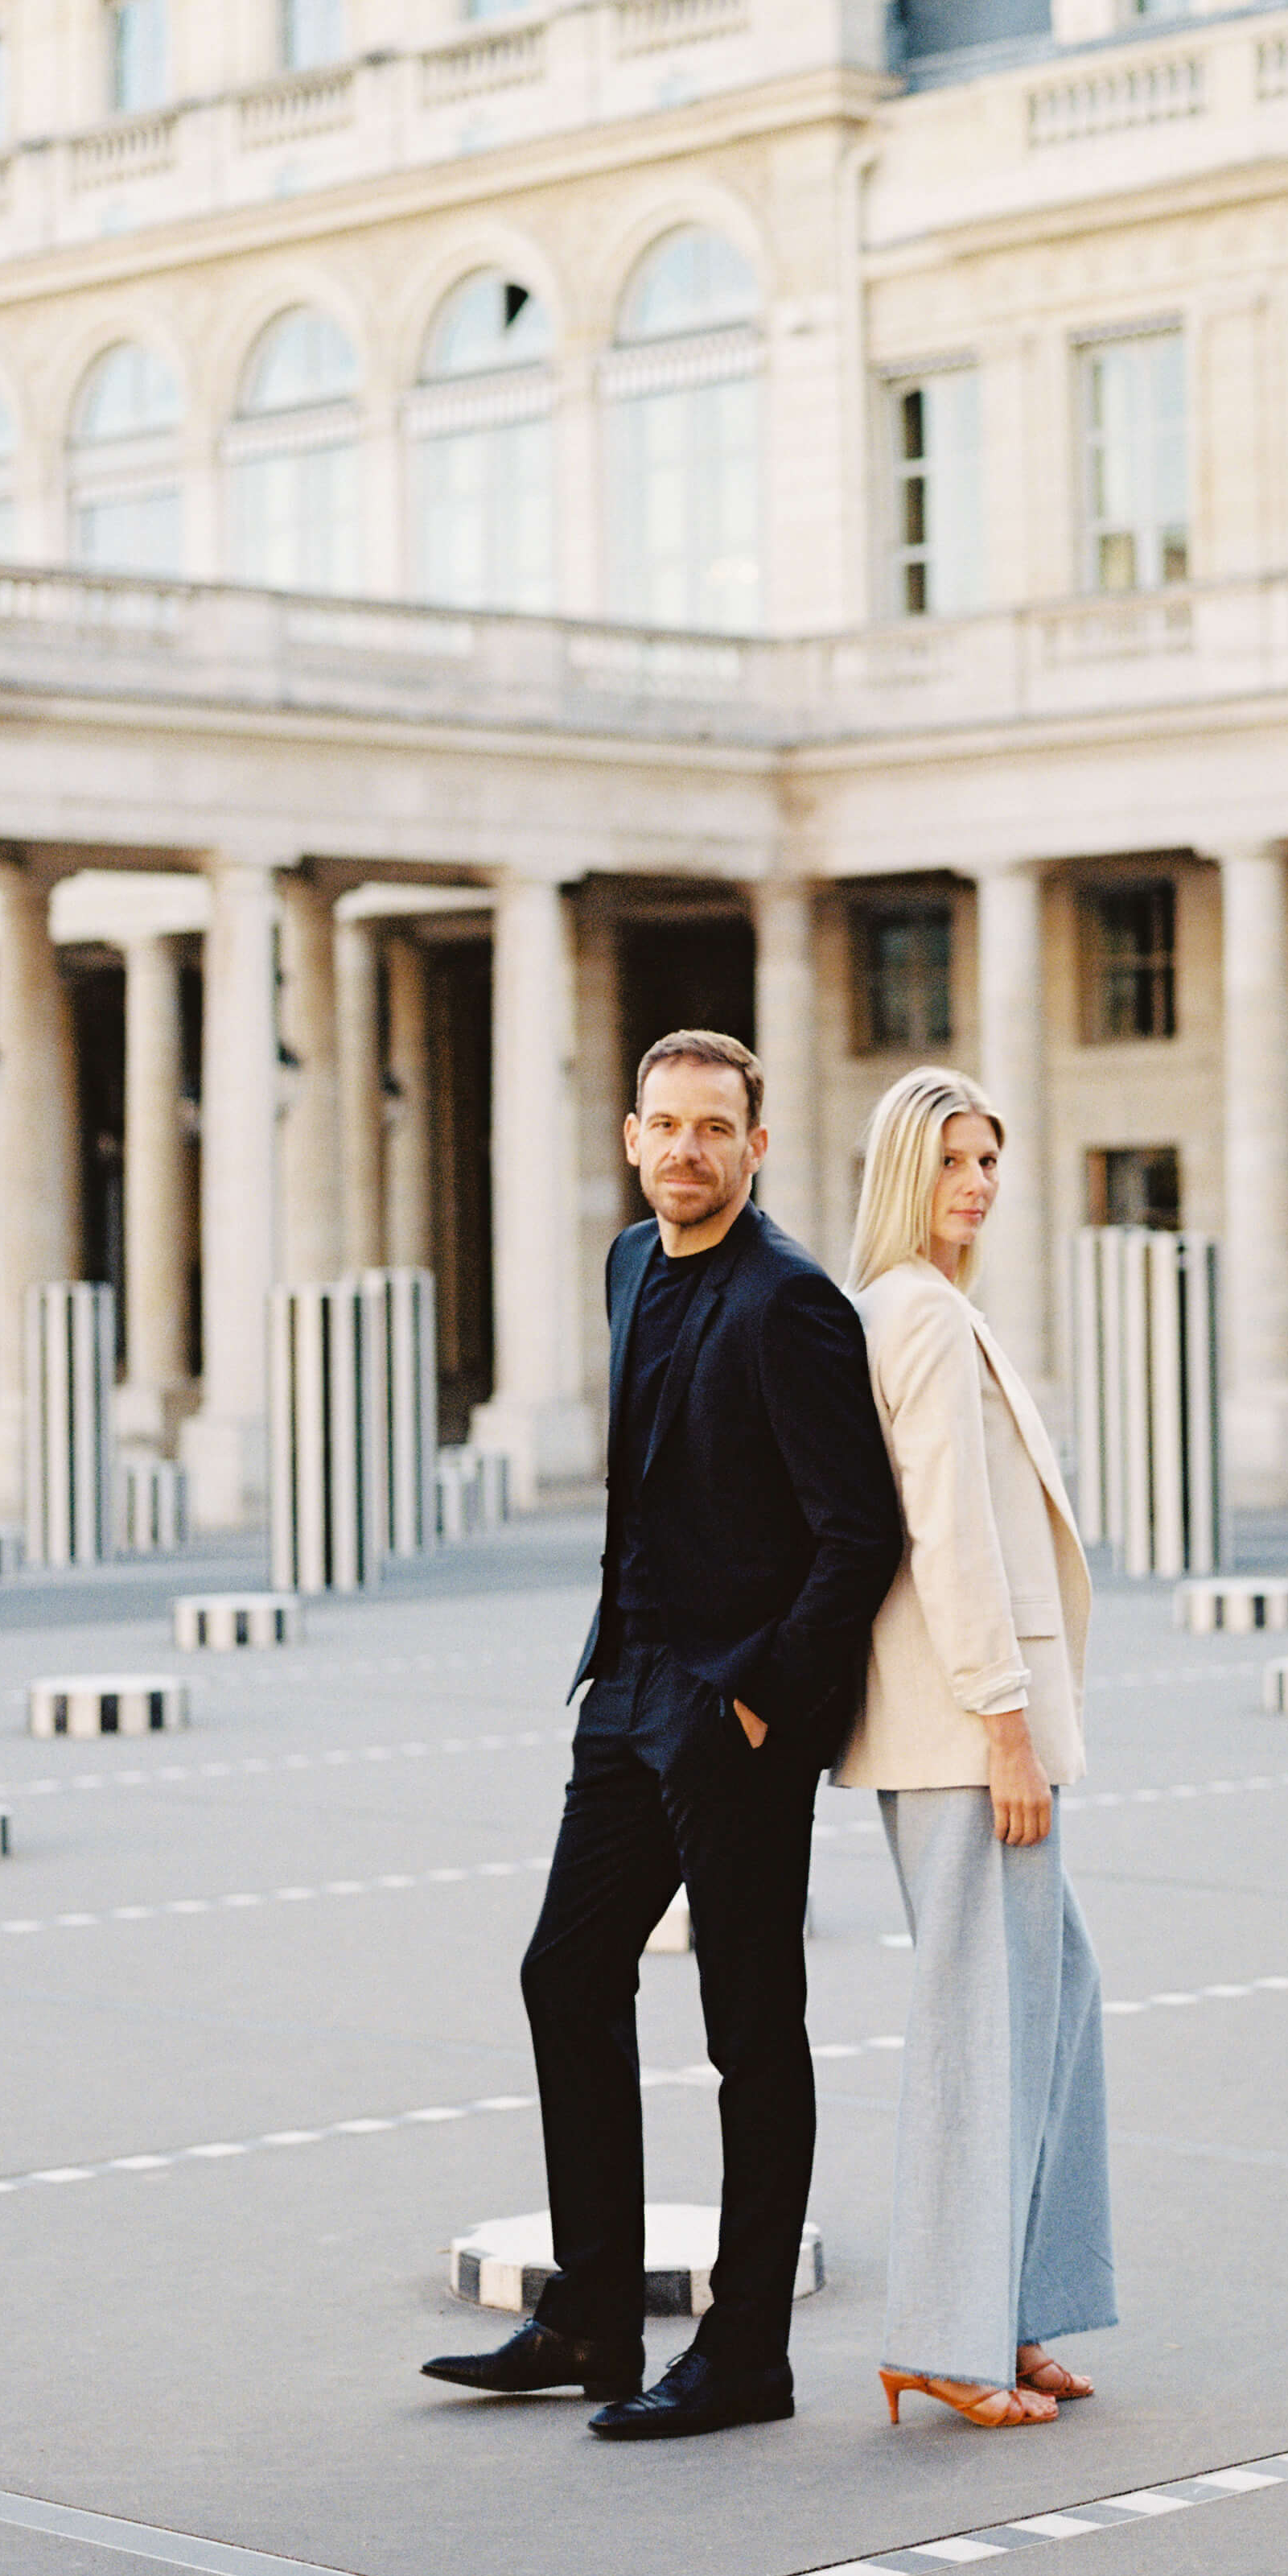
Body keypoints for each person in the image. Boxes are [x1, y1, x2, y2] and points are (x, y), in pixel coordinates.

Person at [423, 1027, 903, 2442]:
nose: (687, 1150)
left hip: (731, 1720)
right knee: (565, 1975)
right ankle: (589, 2317)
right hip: (625, 1692)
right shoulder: (633, 1264)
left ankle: (745, 2353)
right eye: (665, 1125)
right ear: (631, 1138)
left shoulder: (795, 1302)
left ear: (758, 1149)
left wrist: (757, 1702)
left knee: (752, 2034)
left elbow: (857, 1534)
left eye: (715, 1128)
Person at [837, 1063, 1116, 2430]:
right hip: (965, 1733)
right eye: (954, 1160)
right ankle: (949, 2338)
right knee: (978, 2027)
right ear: (905, 1171)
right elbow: (950, 1535)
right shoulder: (921, 1318)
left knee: (1050, 2004)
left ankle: (1007, 2311)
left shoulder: (928, 1308)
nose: (980, 1184)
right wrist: (1005, 1725)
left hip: (981, 1727)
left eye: (992, 1159)